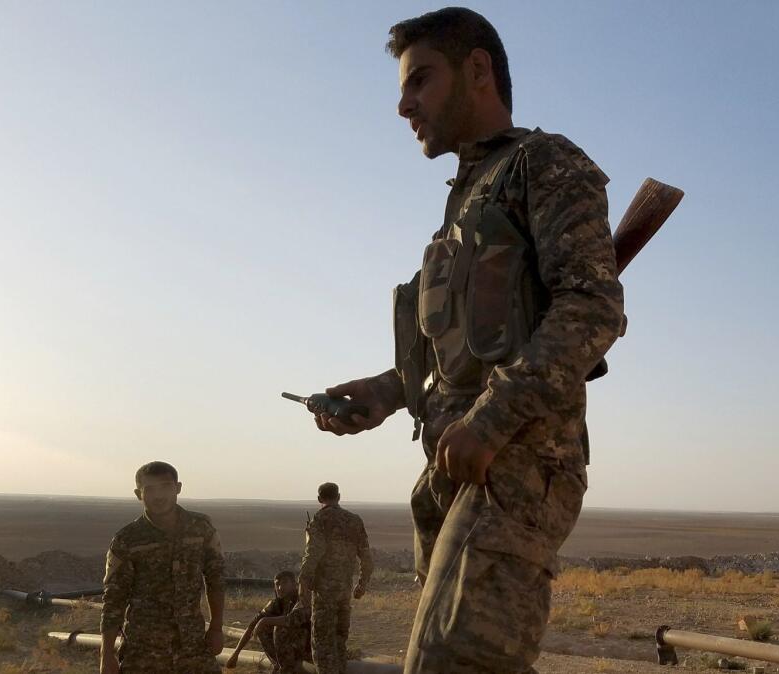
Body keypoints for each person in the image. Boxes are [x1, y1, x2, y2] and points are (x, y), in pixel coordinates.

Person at [310, 7, 624, 673]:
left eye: (420, 80)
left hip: (514, 465)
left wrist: (490, 421)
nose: (404, 105)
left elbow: (592, 308)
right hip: (456, 472)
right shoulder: (469, 197)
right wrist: (390, 391)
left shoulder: (544, 164)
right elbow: (472, 352)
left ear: (477, 70)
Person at [100, 461, 224, 674]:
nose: (159, 496)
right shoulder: (127, 540)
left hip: (193, 645)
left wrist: (216, 627)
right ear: (139, 494)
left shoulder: (200, 528)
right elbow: (114, 599)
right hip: (144, 650)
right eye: (150, 489)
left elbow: (216, 579)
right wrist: (107, 653)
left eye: (166, 487)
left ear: (178, 488)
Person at [298, 482, 372, 674]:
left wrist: (303, 583)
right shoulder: (355, 521)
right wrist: (362, 584)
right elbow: (366, 556)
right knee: (339, 645)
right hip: (344, 594)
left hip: (324, 595)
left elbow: (313, 553)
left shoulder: (319, 520)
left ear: (319, 499)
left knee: (322, 647)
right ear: (339, 497)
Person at [225, 570, 312, 673]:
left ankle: (288, 668)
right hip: (292, 650)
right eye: (277, 584)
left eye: (284, 583)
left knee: (279, 627)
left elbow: (291, 620)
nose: (280, 588)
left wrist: (265, 620)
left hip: (309, 647)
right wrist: (236, 653)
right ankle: (280, 665)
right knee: (263, 628)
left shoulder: (302, 599)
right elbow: (252, 626)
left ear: (294, 584)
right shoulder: (275, 604)